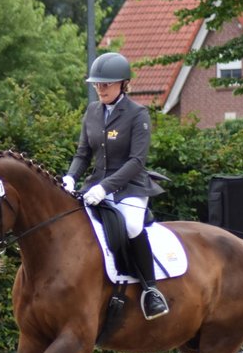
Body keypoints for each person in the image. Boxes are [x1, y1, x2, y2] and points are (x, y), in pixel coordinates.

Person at [61, 52, 169, 320]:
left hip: (130, 187)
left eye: (106, 84)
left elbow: (136, 161)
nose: (100, 89)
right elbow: (83, 154)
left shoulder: (137, 114)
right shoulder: (92, 111)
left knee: (132, 225)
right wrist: (71, 177)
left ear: (123, 83)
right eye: (97, 84)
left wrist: (105, 188)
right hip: (94, 186)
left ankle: (150, 290)